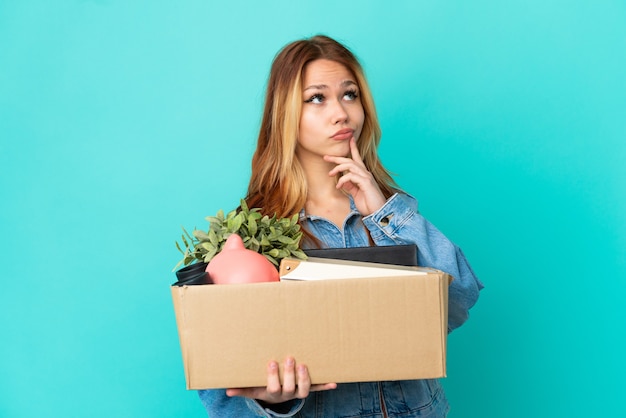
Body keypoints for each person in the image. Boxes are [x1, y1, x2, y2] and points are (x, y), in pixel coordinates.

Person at [198, 35, 483, 417]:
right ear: (285, 113)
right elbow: (218, 388)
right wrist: (270, 400)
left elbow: (458, 301)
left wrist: (384, 213)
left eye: (349, 95)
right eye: (317, 98)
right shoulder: (250, 234)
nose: (341, 113)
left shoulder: (389, 213)